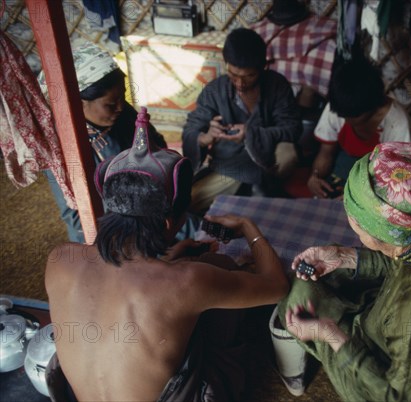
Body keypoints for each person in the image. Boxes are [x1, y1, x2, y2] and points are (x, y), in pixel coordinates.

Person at [44, 108, 289, 402]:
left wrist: (171, 260)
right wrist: (249, 227)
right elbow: (277, 287)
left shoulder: (59, 260)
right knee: (220, 267)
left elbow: (123, 286)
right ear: (168, 223)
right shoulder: (189, 280)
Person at [271, 142, 411, 400]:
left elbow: (396, 397)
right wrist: (343, 256)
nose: (355, 233)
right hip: (387, 327)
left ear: (384, 236)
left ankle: (298, 368)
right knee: (307, 283)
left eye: (358, 228)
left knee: (298, 298)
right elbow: (402, 268)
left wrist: (331, 334)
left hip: (387, 382)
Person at [38, 41, 167, 243]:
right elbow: (75, 216)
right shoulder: (61, 148)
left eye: (123, 98)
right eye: (110, 104)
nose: (120, 107)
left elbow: (158, 146)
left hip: (150, 209)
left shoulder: (124, 114)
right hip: (109, 233)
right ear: (78, 103)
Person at [182, 28, 303, 213]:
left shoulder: (277, 85)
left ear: (263, 67)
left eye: (249, 76)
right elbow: (192, 128)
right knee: (188, 202)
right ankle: (253, 189)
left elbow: (292, 127)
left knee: (289, 153)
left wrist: (251, 134)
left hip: (268, 157)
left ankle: (265, 188)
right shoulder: (214, 91)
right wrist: (204, 137)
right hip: (231, 164)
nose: (240, 83)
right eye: (233, 75)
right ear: (226, 65)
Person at [307, 57, 411, 198]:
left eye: (353, 117)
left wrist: (360, 196)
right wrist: (314, 177)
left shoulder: (397, 123)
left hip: (379, 175)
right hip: (344, 165)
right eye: (343, 116)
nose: (346, 121)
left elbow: (396, 175)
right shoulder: (339, 107)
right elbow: (326, 153)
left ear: (373, 107)